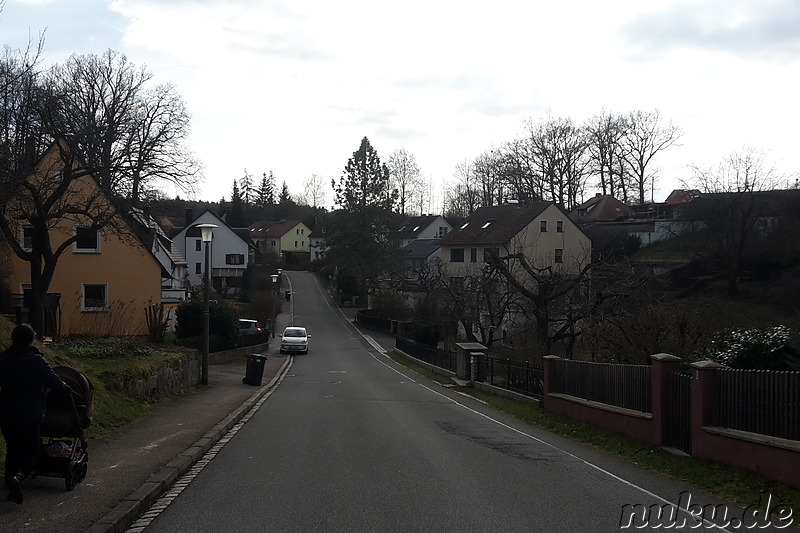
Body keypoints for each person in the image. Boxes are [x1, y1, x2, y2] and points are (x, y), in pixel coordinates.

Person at [0, 324, 68, 504]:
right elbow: (56, 383)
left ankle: (10, 481)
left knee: (12, 449)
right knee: (32, 451)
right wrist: (65, 388)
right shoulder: (36, 361)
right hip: (29, 414)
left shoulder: (3, 358)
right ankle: (18, 477)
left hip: (6, 413)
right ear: (30, 340)